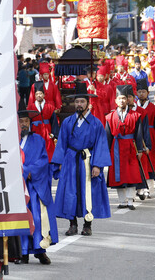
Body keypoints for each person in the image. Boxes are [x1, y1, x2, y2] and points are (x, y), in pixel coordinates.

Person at [52, 82, 111, 237]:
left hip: (87, 160)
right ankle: (72, 224)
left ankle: (87, 224)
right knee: (70, 191)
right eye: (77, 101)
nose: (79, 104)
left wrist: (97, 165)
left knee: (88, 191)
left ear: (88, 103)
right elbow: (62, 144)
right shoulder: (67, 122)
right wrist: (59, 163)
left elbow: (101, 144)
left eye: (82, 101)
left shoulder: (96, 123)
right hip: (71, 160)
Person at [15, 109, 57, 265]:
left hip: (34, 186)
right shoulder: (11, 140)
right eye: (21, 121)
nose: (24, 124)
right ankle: (22, 252)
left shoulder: (38, 140)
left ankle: (40, 251)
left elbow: (43, 160)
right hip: (17, 186)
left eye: (26, 121)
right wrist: (24, 171)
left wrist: (29, 171)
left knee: (37, 219)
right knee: (21, 218)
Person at [105, 85, 145, 210]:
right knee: (119, 175)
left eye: (124, 98)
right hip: (116, 148)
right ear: (116, 101)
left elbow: (139, 134)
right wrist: (106, 152)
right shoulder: (110, 117)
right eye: (119, 99)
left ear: (127, 100)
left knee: (131, 174)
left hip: (130, 147)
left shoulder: (135, 115)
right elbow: (108, 136)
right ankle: (122, 201)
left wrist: (140, 149)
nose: (122, 101)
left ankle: (130, 201)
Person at [135, 78, 155, 199]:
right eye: (139, 91)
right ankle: (139, 188)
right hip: (136, 137)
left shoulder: (154, 109)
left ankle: (148, 189)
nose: (141, 94)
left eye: (143, 92)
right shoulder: (133, 107)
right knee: (138, 164)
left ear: (148, 93)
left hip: (150, 137)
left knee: (149, 163)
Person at [27, 81, 59, 160]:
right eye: (37, 94)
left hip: (47, 133)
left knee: (49, 154)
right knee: (36, 154)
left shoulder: (50, 107)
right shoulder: (30, 108)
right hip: (35, 133)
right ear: (34, 95)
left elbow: (54, 122)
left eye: (41, 93)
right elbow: (28, 122)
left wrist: (54, 135)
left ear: (44, 95)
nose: (39, 96)